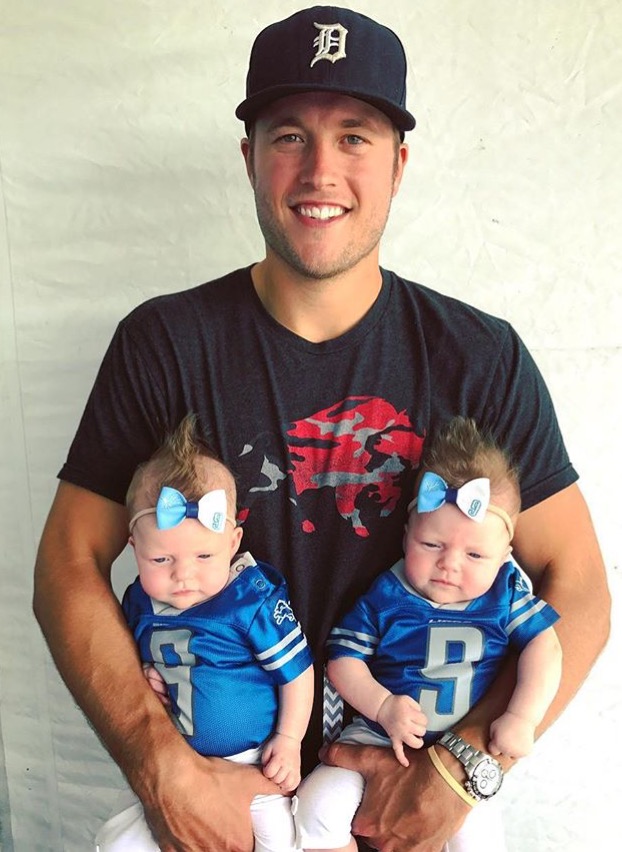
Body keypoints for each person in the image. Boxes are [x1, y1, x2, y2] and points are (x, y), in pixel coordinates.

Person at [33, 6, 610, 851]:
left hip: (405, 783)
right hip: (219, 786)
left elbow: (581, 586)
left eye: (355, 135)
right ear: (249, 157)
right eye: (289, 135)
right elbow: (65, 564)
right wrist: (164, 766)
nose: (321, 169)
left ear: (400, 163)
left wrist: (464, 768)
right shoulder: (164, 343)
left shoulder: (480, 356)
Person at [294, 416, 562, 852]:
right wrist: (382, 706)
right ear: (407, 536)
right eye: (432, 545)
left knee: (477, 839)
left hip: (461, 755)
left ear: (504, 556)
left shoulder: (505, 595)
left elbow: (545, 646)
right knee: (316, 804)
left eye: (475, 553)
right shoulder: (388, 593)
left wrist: (522, 717)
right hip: (378, 735)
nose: (449, 564)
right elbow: (343, 660)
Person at [94, 415, 313, 851]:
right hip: (172, 763)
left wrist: (290, 740)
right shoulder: (137, 602)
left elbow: (298, 673)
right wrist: (145, 677)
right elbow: (130, 660)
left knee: (284, 841)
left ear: (232, 544)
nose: (184, 576)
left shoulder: (249, 598)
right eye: (162, 561)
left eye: (203, 555)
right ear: (134, 547)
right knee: (118, 843)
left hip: (253, 762)